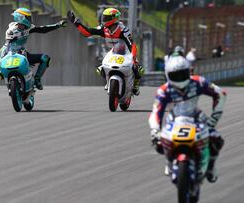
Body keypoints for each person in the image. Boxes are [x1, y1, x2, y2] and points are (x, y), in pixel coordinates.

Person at [149, 55, 226, 183]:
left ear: (188, 72)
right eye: (175, 75)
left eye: (182, 74)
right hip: (174, 120)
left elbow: (220, 94)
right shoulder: (164, 90)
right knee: (158, 143)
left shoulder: (198, 82)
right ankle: (169, 162)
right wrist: (155, 130)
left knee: (216, 139)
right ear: (168, 75)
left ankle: (211, 167)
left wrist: (213, 119)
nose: (179, 78)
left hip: (196, 118)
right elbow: (156, 112)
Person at [67, 8, 144, 96]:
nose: (104, 19)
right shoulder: (104, 28)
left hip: (126, 52)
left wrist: (134, 58)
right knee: (100, 69)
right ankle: (108, 81)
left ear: (113, 18)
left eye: (106, 17)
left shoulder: (123, 30)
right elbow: (87, 33)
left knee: (139, 69)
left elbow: (132, 45)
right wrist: (76, 23)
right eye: (104, 17)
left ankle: (136, 84)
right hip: (113, 52)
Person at [0, 8, 67, 90]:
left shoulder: (28, 28)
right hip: (9, 53)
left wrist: (58, 25)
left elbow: (43, 29)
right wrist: (2, 60)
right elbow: (8, 45)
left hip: (22, 53)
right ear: (21, 18)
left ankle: (37, 79)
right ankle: (1, 69)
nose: (30, 20)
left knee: (45, 58)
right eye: (28, 18)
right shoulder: (11, 31)